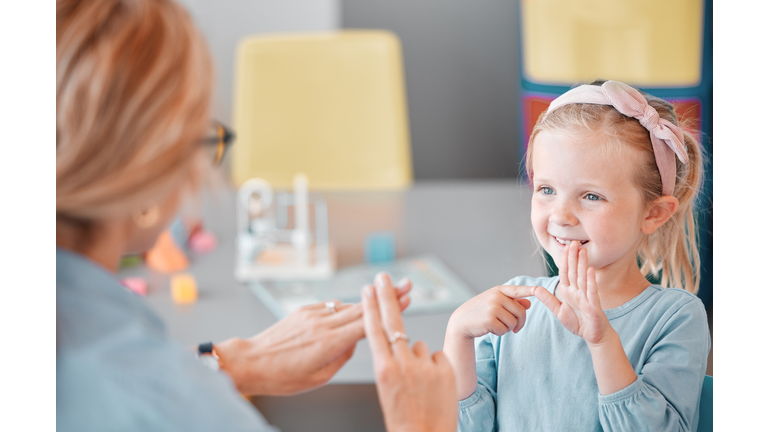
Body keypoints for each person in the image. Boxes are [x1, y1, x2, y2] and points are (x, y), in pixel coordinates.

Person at [56, 0, 456, 430]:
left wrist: (234, 361)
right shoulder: (180, 408)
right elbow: (144, 395)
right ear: (148, 166)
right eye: (202, 141)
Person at [443, 80, 710, 431]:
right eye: (547, 189)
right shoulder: (513, 306)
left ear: (653, 214)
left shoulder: (676, 318)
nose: (561, 215)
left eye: (591, 197)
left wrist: (601, 341)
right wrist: (457, 336)